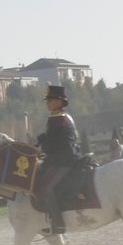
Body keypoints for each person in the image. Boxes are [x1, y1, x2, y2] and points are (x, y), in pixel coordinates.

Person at [33, 85, 82, 235]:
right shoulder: (62, 116)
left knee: (47, 188)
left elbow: (57, 141)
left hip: (63, 159)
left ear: (59, 101)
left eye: (50, 99)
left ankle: (58, 223)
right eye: (47, 100)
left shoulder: (58, 118)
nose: (47, 102)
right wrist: (38, 142)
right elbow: (51, 135)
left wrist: (43, 150)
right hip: (64, 156)